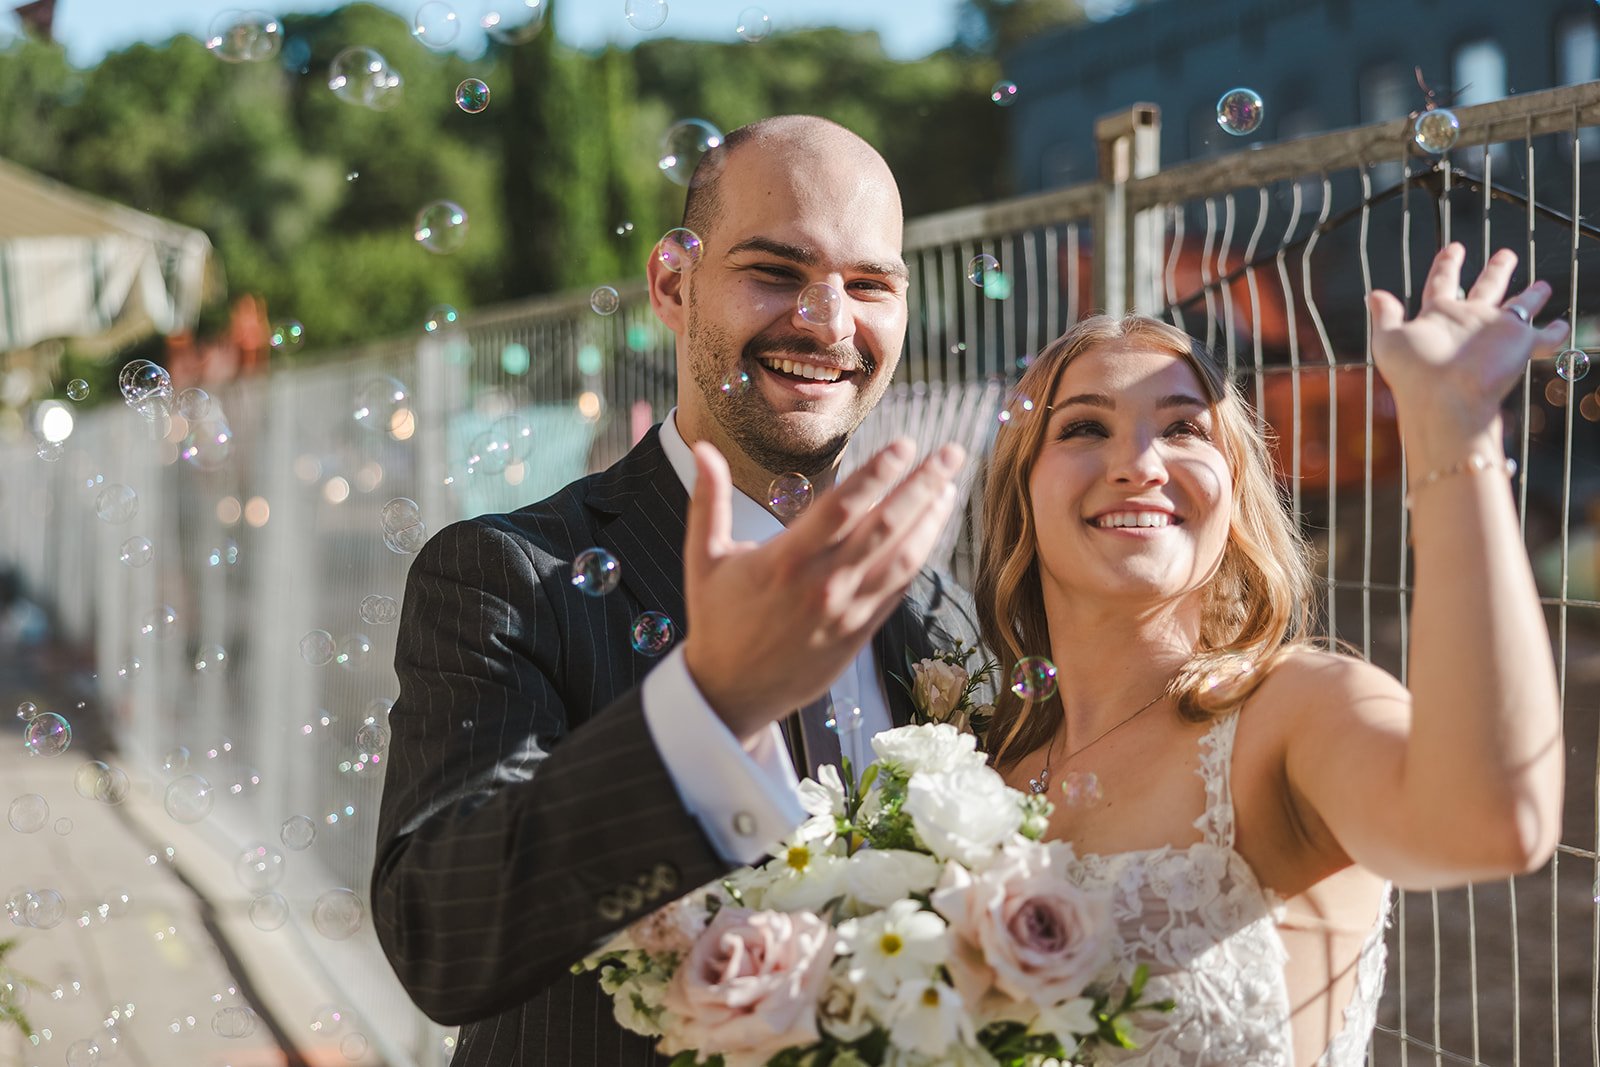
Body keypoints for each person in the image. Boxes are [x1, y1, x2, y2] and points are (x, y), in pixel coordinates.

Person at [371, 115, 981, 1066]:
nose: (828, 321)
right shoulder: (509, 574)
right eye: (776, 271)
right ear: (672, 284)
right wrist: (710, 704)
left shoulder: (937, 613)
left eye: (870, 284)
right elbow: (438, 938)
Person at [975, 242, 1566, 1065]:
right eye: (1083, 426)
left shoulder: (1297, 711)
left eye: (1183, 427)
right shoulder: (980, 762)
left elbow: (1494, 822)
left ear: (1234, 485)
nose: (1139, 463)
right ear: (1020, 488)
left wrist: (1451, 426)